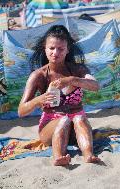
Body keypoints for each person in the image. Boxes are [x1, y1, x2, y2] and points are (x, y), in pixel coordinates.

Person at [18, 25, 101, 166]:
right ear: (45, 48)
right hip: (50, 128)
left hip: (76, 129)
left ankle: (88, 155)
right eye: (51, 48)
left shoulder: (77, 69)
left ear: (67, 50)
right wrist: (39, 100)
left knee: (79, 117)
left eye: (60, 49)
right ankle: (59, 157)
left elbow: (95, 86)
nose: (55, 52)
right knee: (63, 120)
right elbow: (21, 111)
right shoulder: (38, 75)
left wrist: (72, 80)